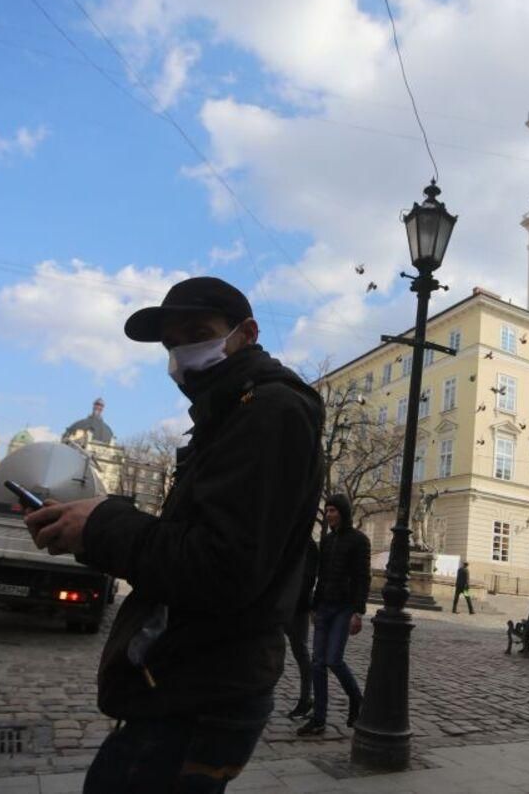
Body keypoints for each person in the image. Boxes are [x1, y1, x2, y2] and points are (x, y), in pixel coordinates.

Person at [24, 276, 323, 792]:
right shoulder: (229, 411)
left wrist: (102, 524)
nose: (182, 354)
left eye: (199, 334)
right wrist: (89, 528)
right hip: (184, 681)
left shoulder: (270, 410)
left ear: (247, 333)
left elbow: (223, 566)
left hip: (203, 692)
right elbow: (192, 541)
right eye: (171, 344)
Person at [296, 494, 370, 736]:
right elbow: (321, 575)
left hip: (344, 608)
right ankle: (319, 718)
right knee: (318, 663)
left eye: (332, 511)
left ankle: (356, 698)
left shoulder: (359, 540)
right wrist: (314, 606)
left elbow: (363, 578)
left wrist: (358, 612)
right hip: (324, 607)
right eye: (327, 510)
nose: (328, 515)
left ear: (343, 512)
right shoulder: (326, 541)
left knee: (334, 660)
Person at [285, 533, 319, 719]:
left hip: (297, 607)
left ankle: (306, 698)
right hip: (281, 604)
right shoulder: (288, 539)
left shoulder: (309, 545)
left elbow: (308, 580)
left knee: (301, 652)